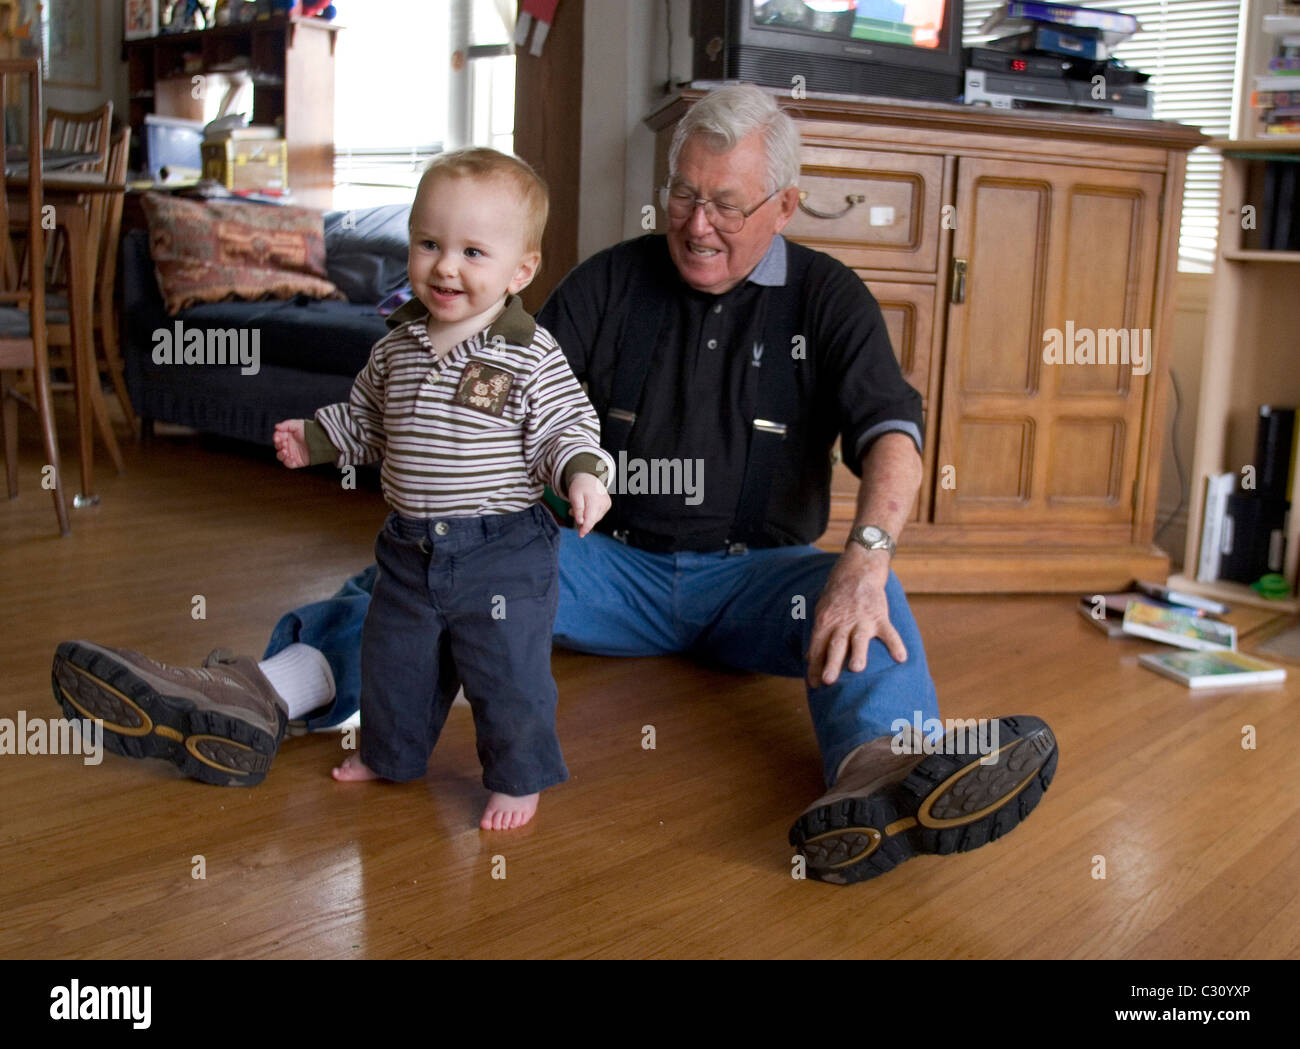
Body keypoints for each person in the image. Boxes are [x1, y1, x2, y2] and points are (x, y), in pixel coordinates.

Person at [51, 84, 1057, 884]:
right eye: (681, 195)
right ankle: (256, 695)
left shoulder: (827, 296)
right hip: (599, 564)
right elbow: (494, 381)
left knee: (872, 601)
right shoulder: (611, 283)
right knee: (430, 570)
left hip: (760, 577)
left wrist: (867, 556)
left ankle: (880, 782)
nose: (695, 224)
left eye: (725, 203)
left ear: (783, 205)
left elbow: (894, 435)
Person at [272, 147, 613, 830]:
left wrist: (582, 473)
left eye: (472, 252)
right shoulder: (394, 346)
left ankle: (518, 776)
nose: (445, 266)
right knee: (393, 660)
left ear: (521, 270)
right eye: (429, 244)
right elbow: (367, 424)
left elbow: (565, 427)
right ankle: (389, 753)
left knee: (506, 672)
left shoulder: (527, 352)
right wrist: (315, 439)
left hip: (503, 550)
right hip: (407, 546)